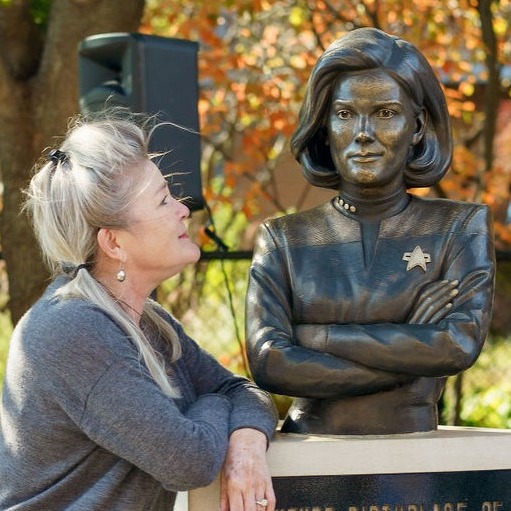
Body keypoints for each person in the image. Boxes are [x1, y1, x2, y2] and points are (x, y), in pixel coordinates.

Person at [0, 111, 278, 511]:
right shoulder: (72, 330)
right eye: (164, 200)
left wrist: (248, 442)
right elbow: (189, 461)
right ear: (113, 243)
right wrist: (212, 405)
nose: (184, 210)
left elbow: (240, 390)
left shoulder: (148, 321)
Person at [245, 27, 495, 436]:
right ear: (324, 127)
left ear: (417, 127)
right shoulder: (283, 240)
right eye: (345, 114)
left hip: (413, 450)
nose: (363, 132)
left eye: (385, 112)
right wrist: (410, 350)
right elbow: (270, 362)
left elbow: (456, 344)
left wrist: (318, 336)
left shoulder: (459, 227)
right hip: (311, 454)